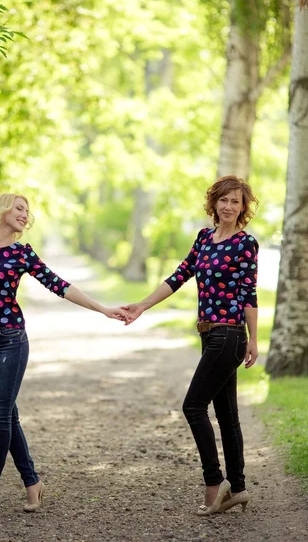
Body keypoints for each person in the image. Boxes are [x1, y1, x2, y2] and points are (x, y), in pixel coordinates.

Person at [0, 193, 127, 513]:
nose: (25, 215)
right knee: (6, 414)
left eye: (28, 211)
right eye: (19, 208)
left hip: (11, 339)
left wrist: (103, 309)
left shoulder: (22, 253)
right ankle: (32, 481)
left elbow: (59, 285)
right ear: (1, 209)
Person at [122, 176, 259, 515]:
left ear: (243, 208)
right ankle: (237, 488)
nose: (228, 206)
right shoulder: (204, 239)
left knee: (193, 406)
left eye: (235, 202)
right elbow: (178, 276)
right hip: (209, 334)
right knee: (227, 415)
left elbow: (249, 295)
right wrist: (142, 305)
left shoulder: (246, 244)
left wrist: (253, 339)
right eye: (223, 200)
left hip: (229, 335)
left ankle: (214, 484)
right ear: (213, 203)